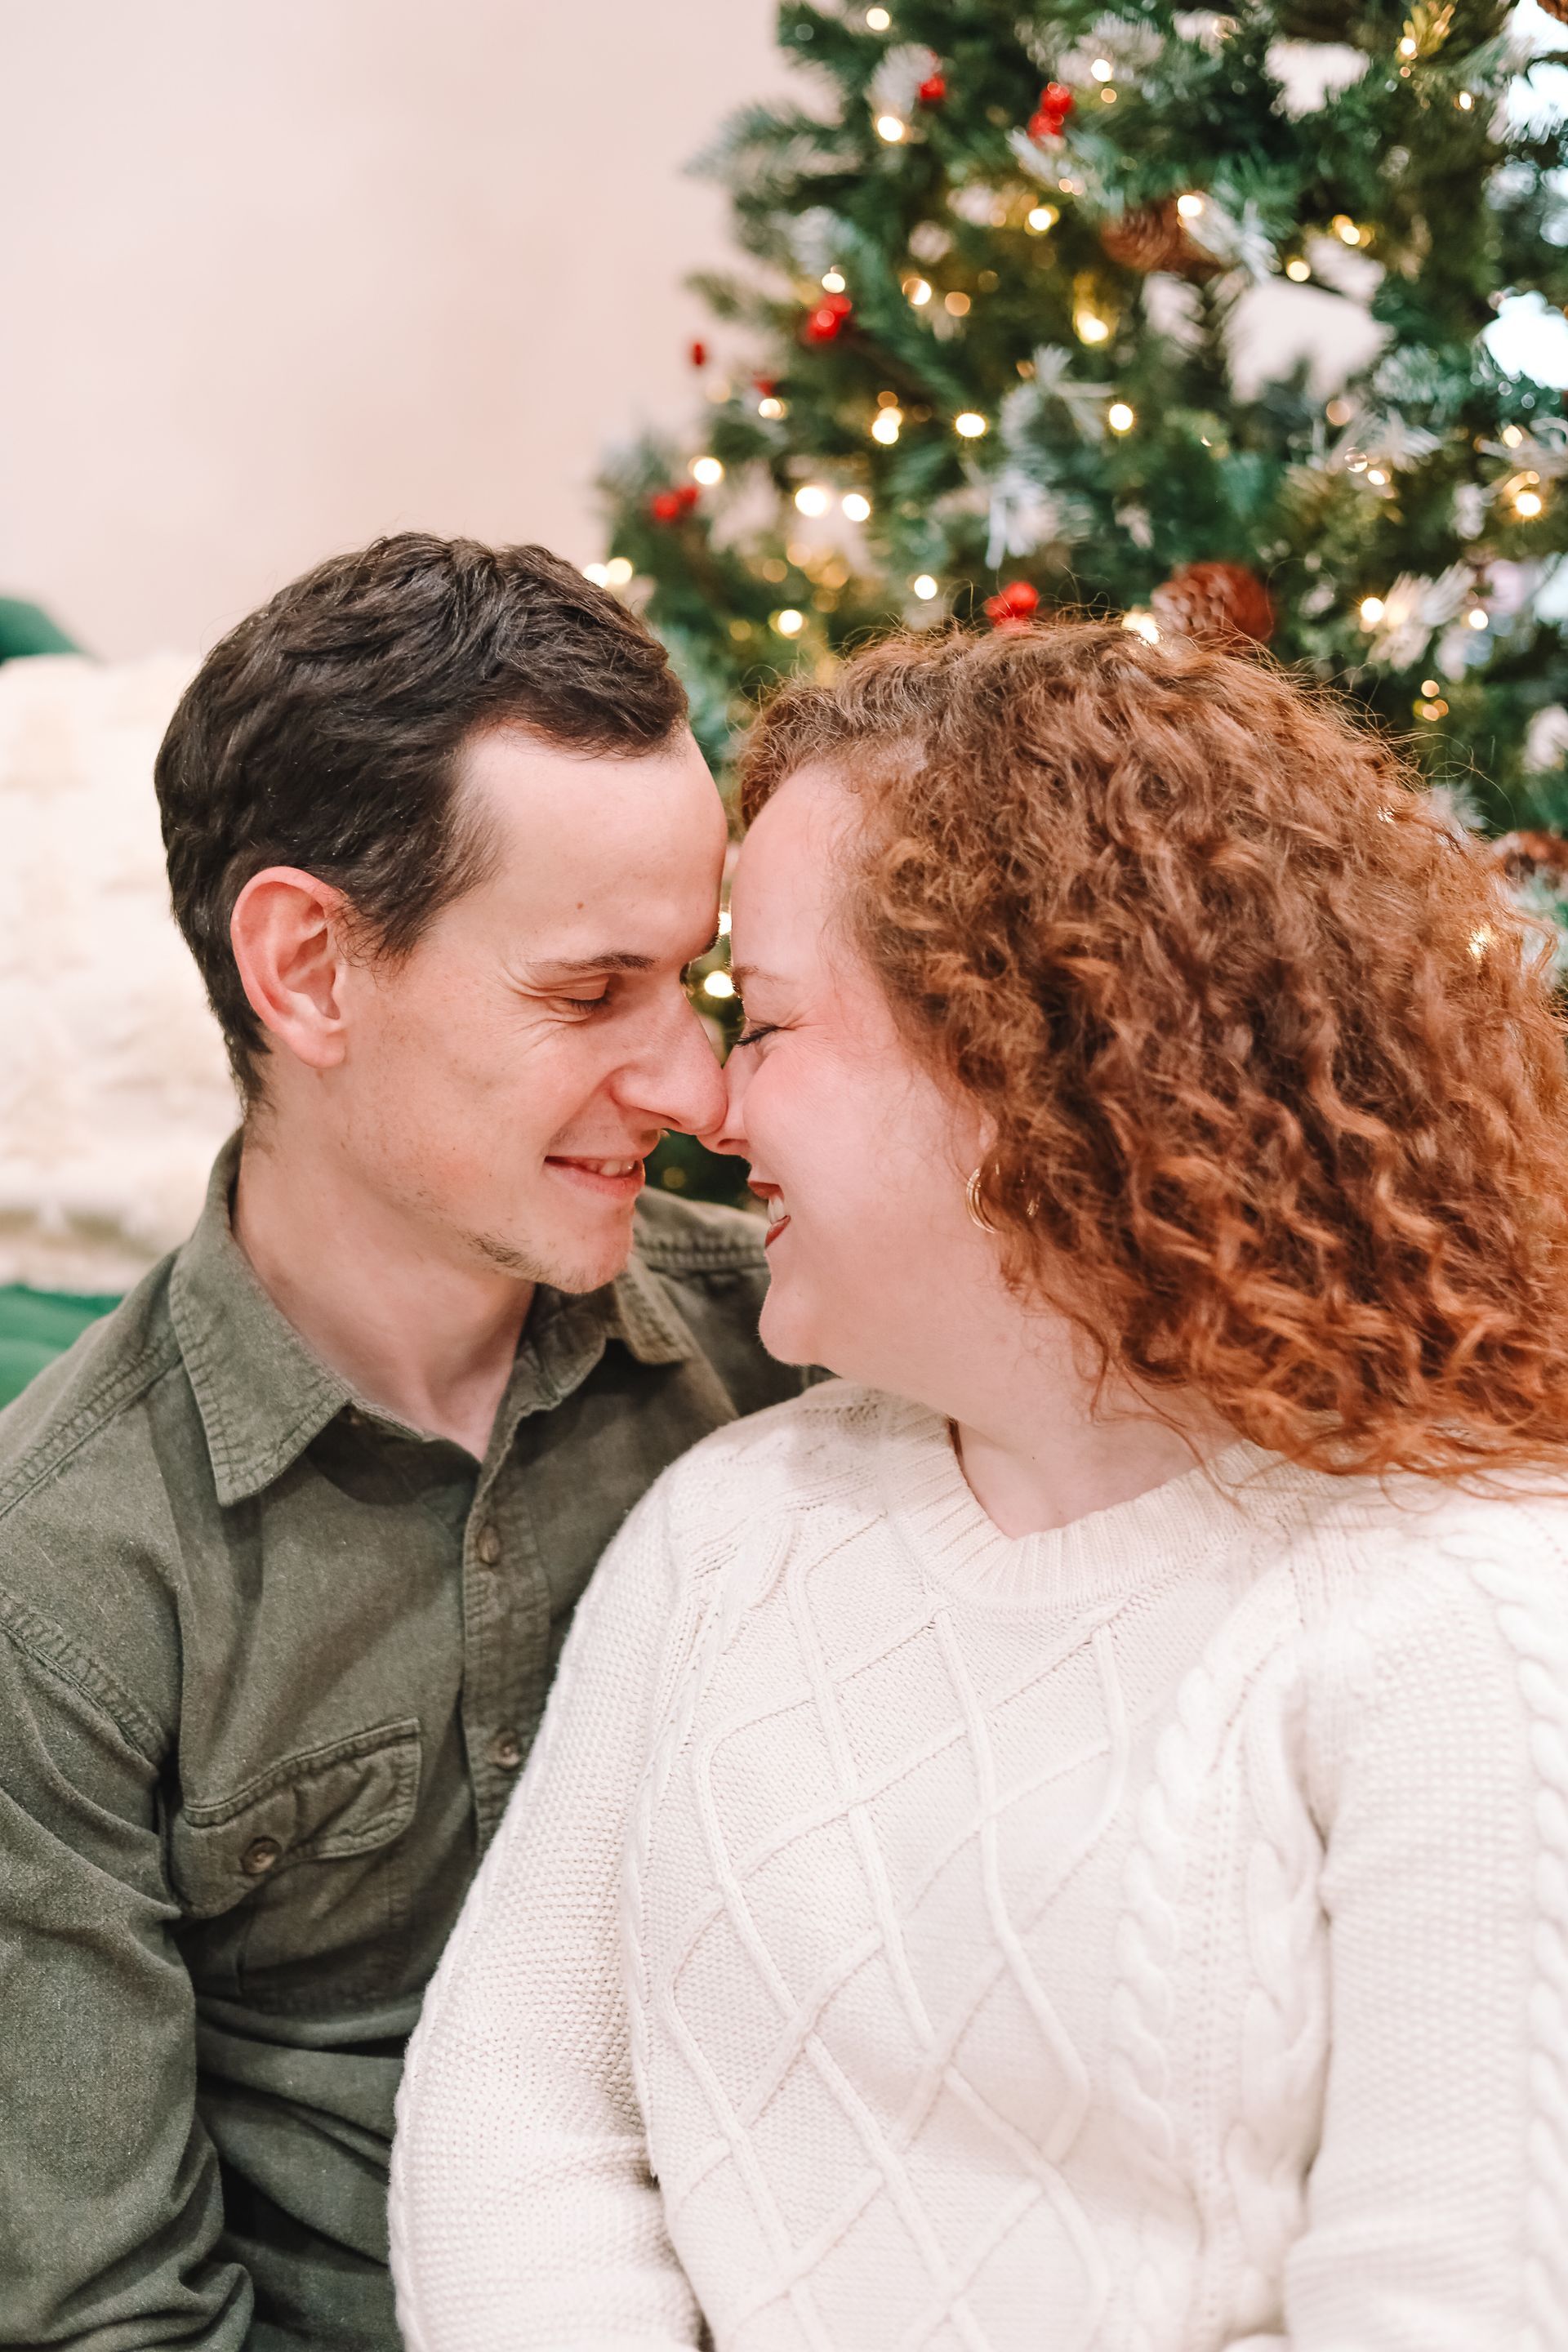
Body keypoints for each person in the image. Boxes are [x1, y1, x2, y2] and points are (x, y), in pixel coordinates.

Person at [390, 620, 1568, 2352]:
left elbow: (1450, 2297)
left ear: (1037, 1066)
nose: (712, 1101)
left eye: (769, 1022)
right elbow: (520, 2109)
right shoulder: (728, 1534)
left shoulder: (1463, 1626)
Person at [0, 534, 807, 2352]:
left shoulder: (802, 1354)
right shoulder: (57, 1583)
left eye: (697, 982)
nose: (695, 1089)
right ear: (308, 971)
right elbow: (108, 2313)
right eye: (592, 995)